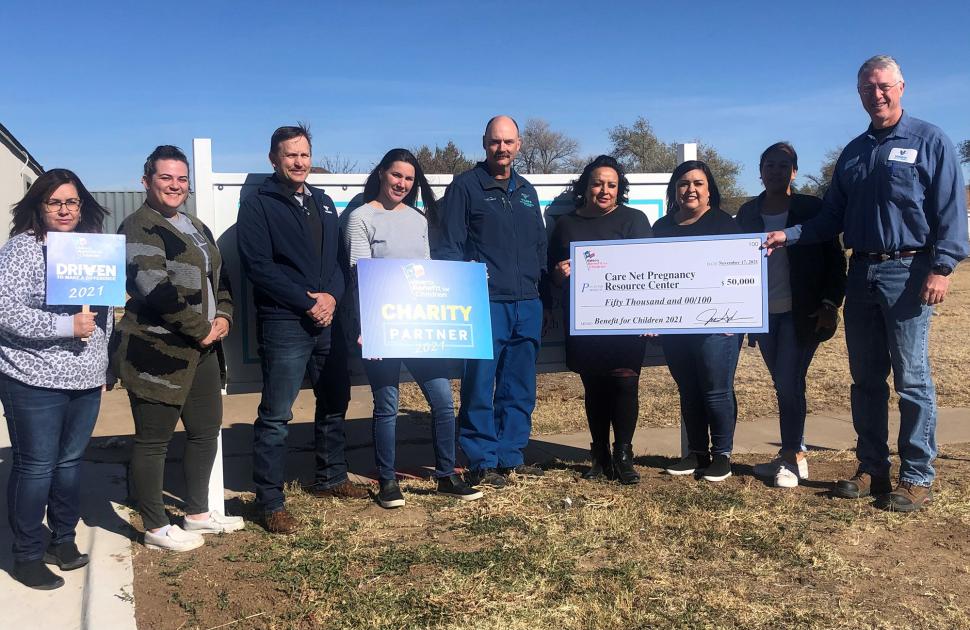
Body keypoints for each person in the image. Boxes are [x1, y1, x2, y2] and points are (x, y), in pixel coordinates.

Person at [764, 55, 968, 511]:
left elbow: (951, 210)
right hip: (862, 273)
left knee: (912, 379)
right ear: (858, 95)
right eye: (866, 89)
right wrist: (789, 234)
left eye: (883, 86)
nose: (876, 95)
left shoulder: (930, 140)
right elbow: (831, 216)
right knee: (865, 379)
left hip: (909, 271)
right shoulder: (853, 153)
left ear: (901, 86)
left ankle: (917, 475)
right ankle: (873, 466)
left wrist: (942, 266)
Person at [237, 124, 367, 535]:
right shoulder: (258, 204)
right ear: (273, 159)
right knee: (276, 414)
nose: (298, 162)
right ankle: (270, 501)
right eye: (290, 155)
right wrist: (307, 301)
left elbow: (339, 262)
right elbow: (258, 266)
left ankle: (331, 477)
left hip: (328, 320)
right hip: (285, 322)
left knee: (334, 400)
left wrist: (330, 297)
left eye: (304, 154)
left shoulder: (325, 203)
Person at [114, 146, 244, 552]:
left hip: (203, 349)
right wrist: (198, 328)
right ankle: (154, 525)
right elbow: (153, 285)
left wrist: (223, 316)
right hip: (158, 351)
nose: (175, 186)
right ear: (147, 181)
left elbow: (219, 278)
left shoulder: (194, 225)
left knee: (206, 432)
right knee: (154, 440)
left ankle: (197, 513)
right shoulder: (140, 226)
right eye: (166, 178)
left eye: (181, 179)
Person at [343, 148, 483, 508]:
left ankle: (447, 475)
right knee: (387, 405)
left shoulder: (419, 219)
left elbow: (427, 273)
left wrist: (466, 278)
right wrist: (366, 326)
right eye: (396, 176)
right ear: (381, 174)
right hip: (382, 325)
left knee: (442, 402)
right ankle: (388, 481)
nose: (402, 183)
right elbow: (359, 275)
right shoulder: (360, 217)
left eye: (409, 178)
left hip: (419, 327)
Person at [0, 169, 110, 589]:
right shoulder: (21, 251)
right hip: (33, 377)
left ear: (82, 206)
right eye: (55, 202)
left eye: (72, 202)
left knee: (68, 465)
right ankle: (26, 553)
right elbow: (5, 312)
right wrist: (65, 327)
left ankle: (61, 538)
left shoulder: (89, 250)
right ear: (39, 206)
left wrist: (102, 366)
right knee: (36, 467)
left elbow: (104, 319)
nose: (65, 210)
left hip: (84, 378)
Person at [434, 116, 547, 488]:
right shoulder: (466, 187)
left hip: (526, 303)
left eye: (509, 142)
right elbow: (448, 246)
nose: (502, 148)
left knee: (519, 386)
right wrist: (464, 283)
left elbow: (539, 246)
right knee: (480, 385)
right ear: (484, 142)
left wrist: (539, 285)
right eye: (496, 141)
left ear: (519, 145)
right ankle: (481, 459)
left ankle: (511, 456)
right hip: (485, 304)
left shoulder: (527, 190)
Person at [736, 143, 846, 488]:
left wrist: (830, 303)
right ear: (760, 171)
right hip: (763, 314)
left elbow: (835, 260)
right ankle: (793, 452)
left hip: (803, 313)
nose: (776, 171)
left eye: (784, 166)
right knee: (785, 383)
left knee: (788, 381)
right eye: (769, 165)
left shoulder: (811, 208)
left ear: (794, 172)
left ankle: (792, 456)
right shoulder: (748, 213)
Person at [545, 156, 652, 484]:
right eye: (597, 183)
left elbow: (651, 271)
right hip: (586, 321)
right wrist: (560, 275)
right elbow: (551, 272)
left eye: (611, 185)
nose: (604, 190)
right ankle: (599, 456)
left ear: (620, 189)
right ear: (585, 187)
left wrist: (652, 315)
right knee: (593, 387)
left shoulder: (635, 220)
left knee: (624, 383)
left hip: (627, 321)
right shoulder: (566, 224)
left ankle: (624, 456)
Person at [656, 161, 742, 482]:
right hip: (676, 326)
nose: (690, 189)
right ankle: (695, 452)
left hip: (717, 326)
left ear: (709, 191)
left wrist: (736, 314)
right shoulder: (661, 228)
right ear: (674, 190)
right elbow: (654, 277)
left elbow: (740, 275)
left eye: (698, 183)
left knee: (716, 391)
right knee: (689, 390)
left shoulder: (725, 225)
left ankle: (722, 455)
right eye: (683, 183)